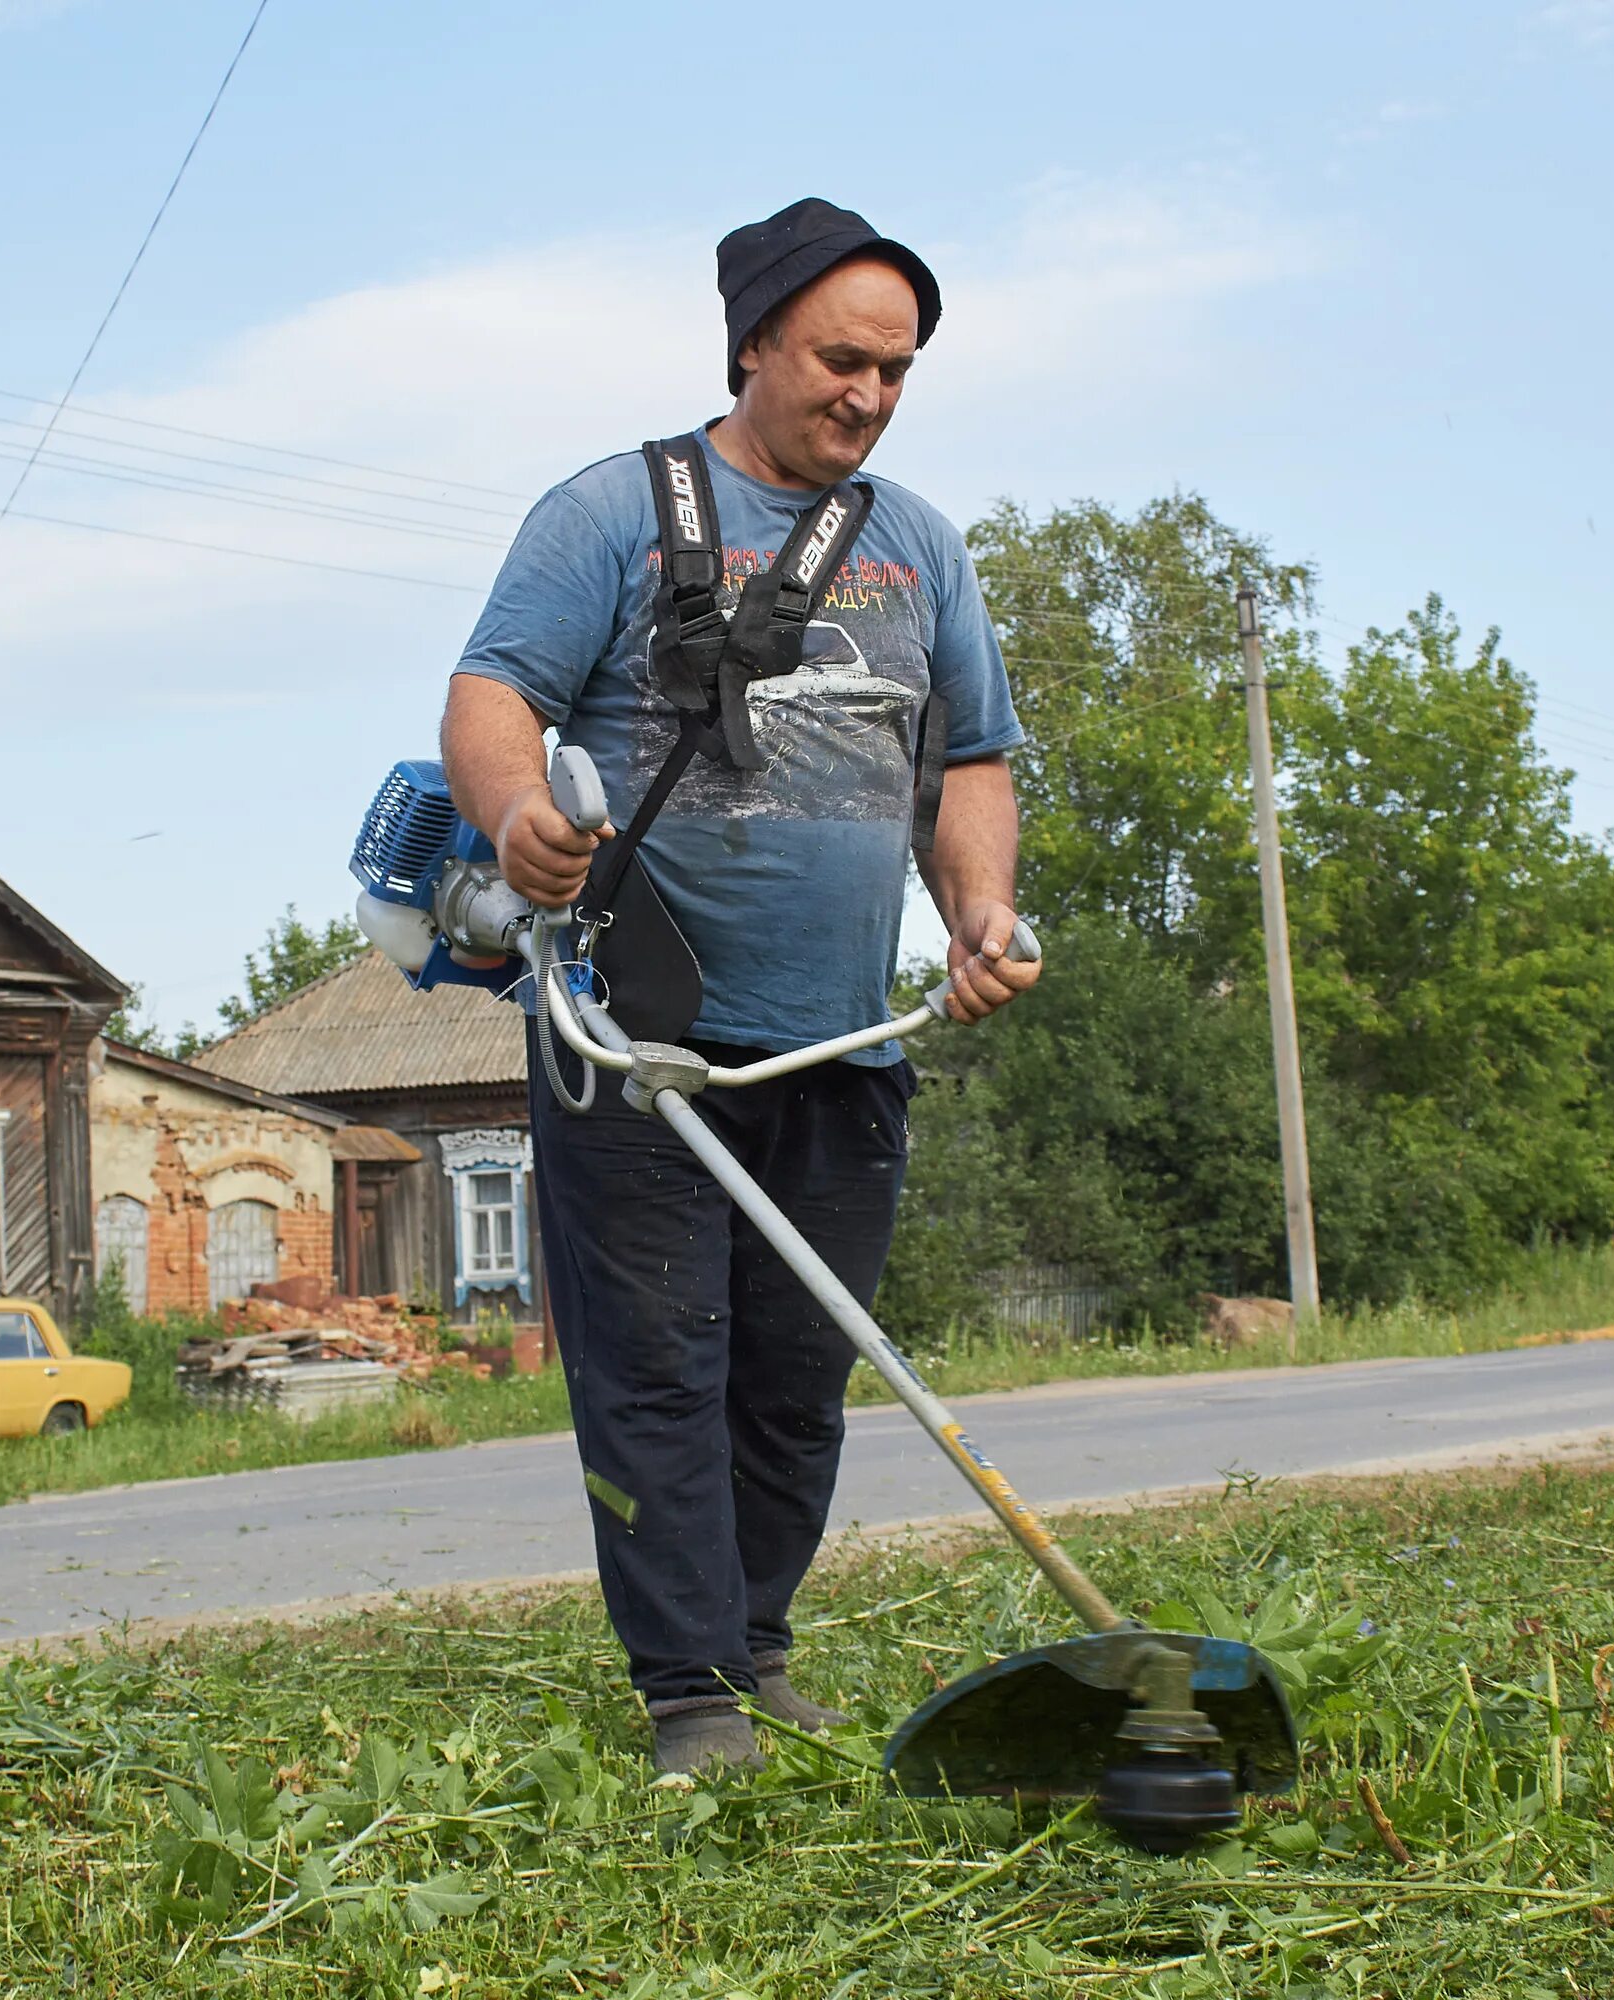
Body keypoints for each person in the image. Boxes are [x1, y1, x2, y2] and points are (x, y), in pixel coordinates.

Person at [440, 198, 1039, 1774]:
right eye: (843, 360)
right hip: (637, 1045)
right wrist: (517, 820)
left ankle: (758, 1647)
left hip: (843, 1039)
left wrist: (982, 912)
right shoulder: (612, 516)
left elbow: (967, 758)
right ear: (756, 340)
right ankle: (689, 1693)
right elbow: (493, 695)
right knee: (658, 1369)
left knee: (793, 1374)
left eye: (898, 371)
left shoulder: (918, 546)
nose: (870, 395)